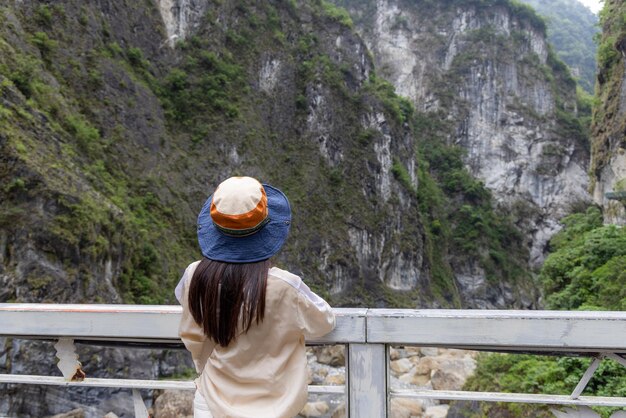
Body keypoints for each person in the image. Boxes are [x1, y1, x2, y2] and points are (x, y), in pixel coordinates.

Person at [175, 176, 336, 418]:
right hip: (273, 407)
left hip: (211, 402)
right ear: (267, 230)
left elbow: (195, 336)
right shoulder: (284, 285)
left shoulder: (194, 275)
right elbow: (324, 321)